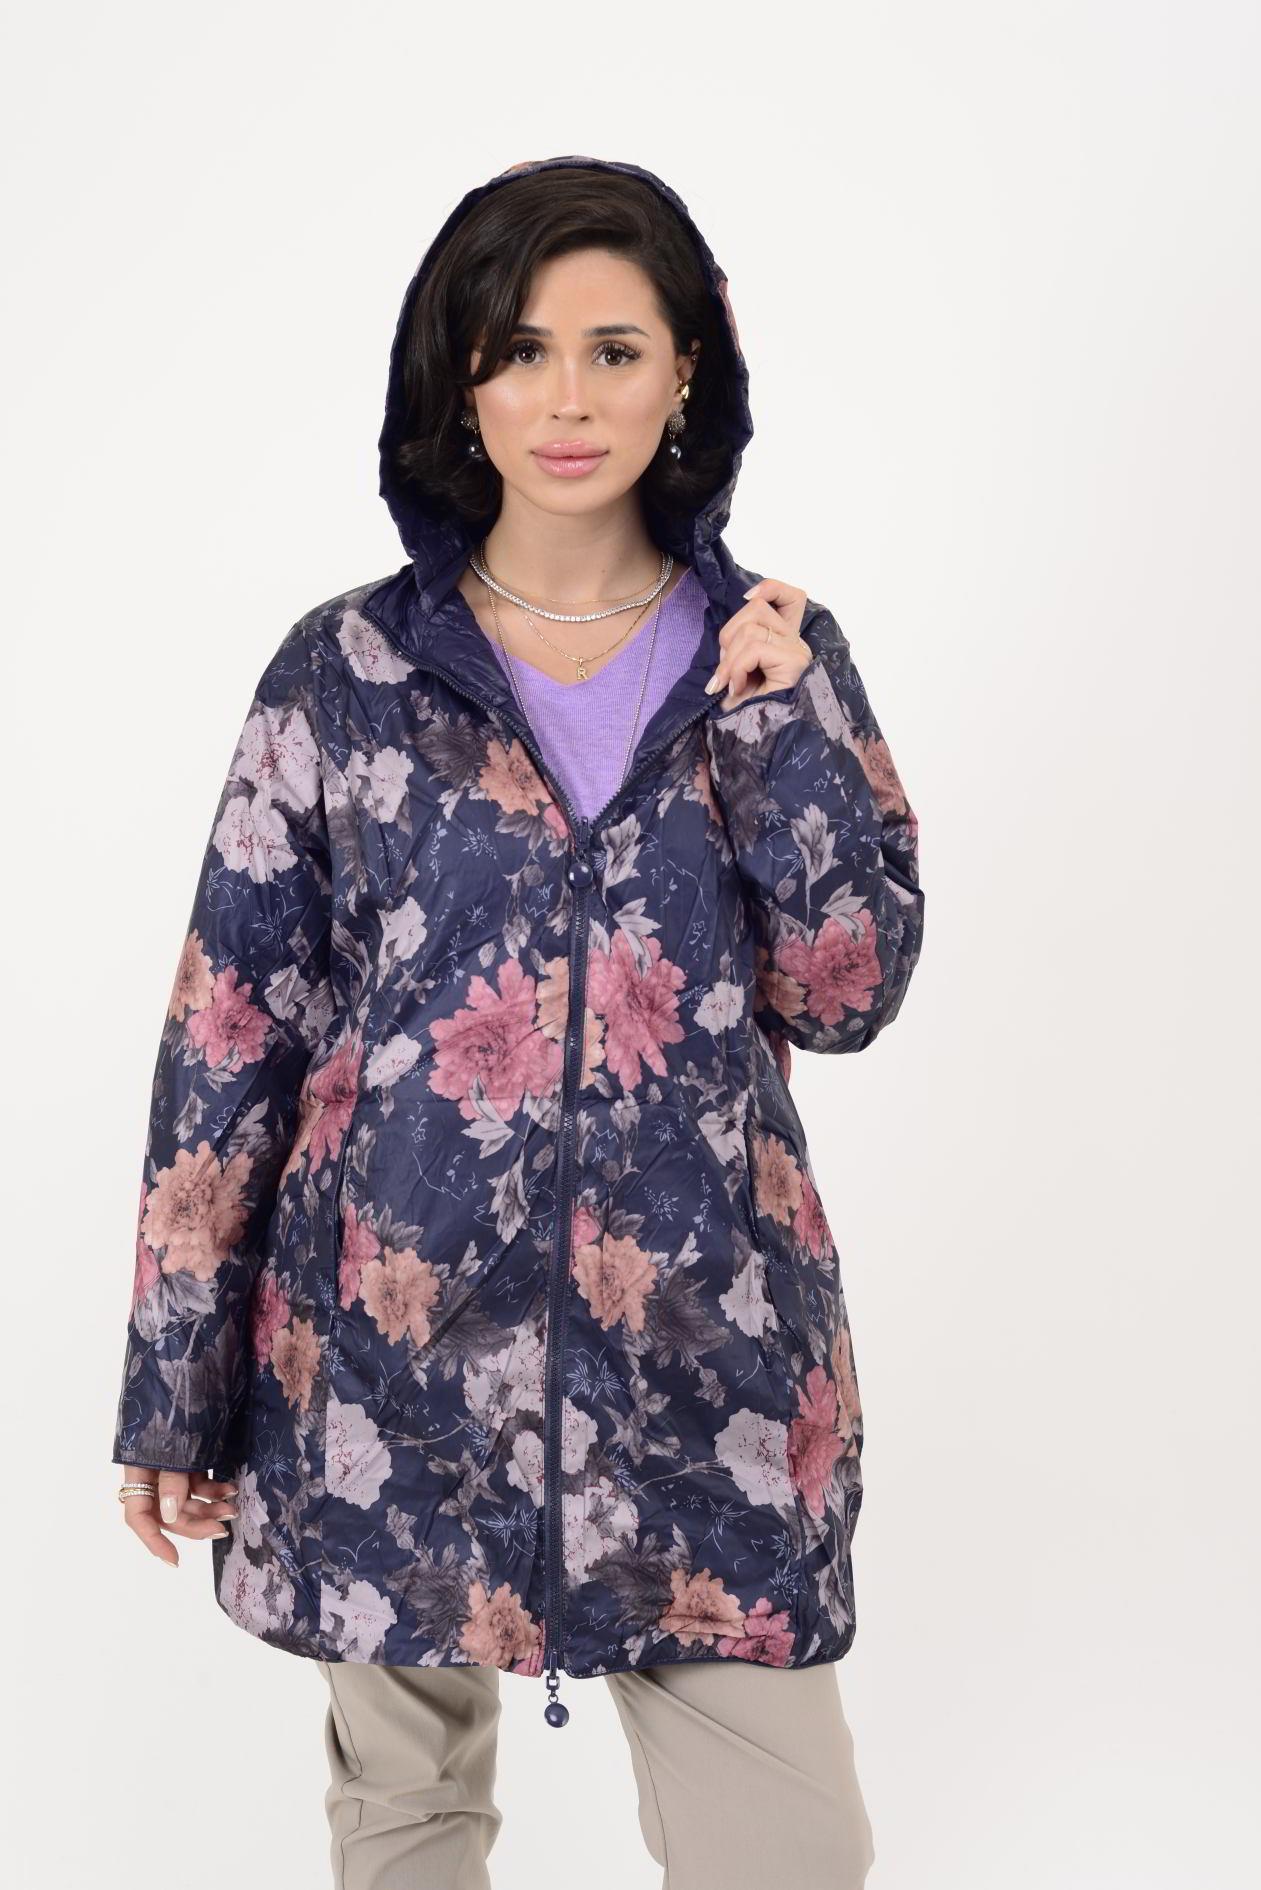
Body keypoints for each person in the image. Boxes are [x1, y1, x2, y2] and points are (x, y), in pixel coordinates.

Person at [111, 153, 925, 1889]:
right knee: (404, 1829)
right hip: (381, 1364)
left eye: (614, 350)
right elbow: (231, 1034)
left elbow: (848, 992)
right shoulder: (344, 673)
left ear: (688, 369)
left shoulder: (772, 655)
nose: (567, 399)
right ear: (458, 380)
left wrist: (774, 730)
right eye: (520, 351)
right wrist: (176, 1385)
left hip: (702, 1366)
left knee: (790, 1850)